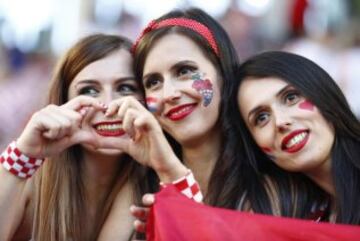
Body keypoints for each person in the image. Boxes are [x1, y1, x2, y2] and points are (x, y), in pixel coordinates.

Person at [0, 34, 157, 241]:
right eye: (90, 90)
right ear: (63, 102)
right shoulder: (30, 179)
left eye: (125, 88)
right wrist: (22, 154)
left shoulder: (154, 183)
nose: (109, 105)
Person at [234, 51, 360, 224]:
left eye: (290, 98)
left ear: (324, 94)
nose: (280, 121)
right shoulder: (303, 220)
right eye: (262, 118)